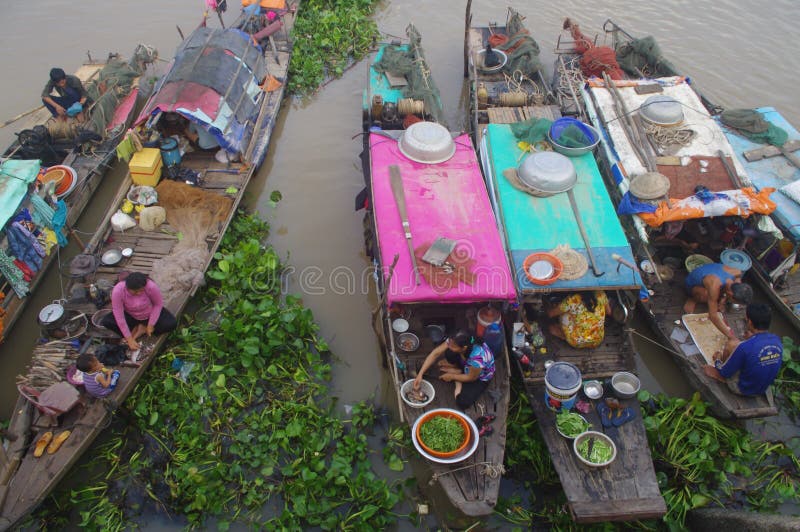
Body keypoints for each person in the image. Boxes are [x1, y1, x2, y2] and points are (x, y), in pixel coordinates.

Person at [703, 303, 782, 396]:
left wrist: (717, 360)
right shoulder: (777, 340)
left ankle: (724, 380)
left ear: (750, 322)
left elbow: (724, 372)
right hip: (762, 389)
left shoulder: (744, 347)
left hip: (743, 389)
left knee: (731, 344)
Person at [413, 330, 495, 410]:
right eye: (449, 343)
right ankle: (459, 370)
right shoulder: (455, 339)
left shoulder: (478, 358)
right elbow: (435, 353)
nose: (449, 346)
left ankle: (458, 377)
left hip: (479, 376)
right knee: (449, 353)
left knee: (463, 402)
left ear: (464, 348)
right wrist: (420, 374)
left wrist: (452, 377)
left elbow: (471, 378)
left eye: (453, 346)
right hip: (467, 364)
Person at [100, 272, 177, 351]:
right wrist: (129, 339)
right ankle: (136, 329)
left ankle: (142, 328)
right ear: (127, 287)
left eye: (141, 290)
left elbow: (158, 305)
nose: (139, 293)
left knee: (171, 324)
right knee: (106, 321)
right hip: (131, 315)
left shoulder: (151, 286)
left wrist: (151, 324)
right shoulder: (118, 291)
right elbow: (119, 315)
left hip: (149, 314)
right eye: (135, 291)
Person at [683, 262, 753, 338]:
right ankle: (693, 299)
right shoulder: (714, 285)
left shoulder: (737, 274)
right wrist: (731, 336)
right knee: (706, 295)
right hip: (692, 284)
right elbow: (712, 315)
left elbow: (734, 284)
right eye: (734, 301)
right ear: (731, 294)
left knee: (717, 295)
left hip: (714, 281)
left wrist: (722, 300)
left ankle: (719, 298)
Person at [547, 291, 611, 349]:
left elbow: (551, 314)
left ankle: (562, 335)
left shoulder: (573, 299)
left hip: (577, 343)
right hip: (597, 340)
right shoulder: (601, 294)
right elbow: (609, 312)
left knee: (564, 316)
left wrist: (548, 307)